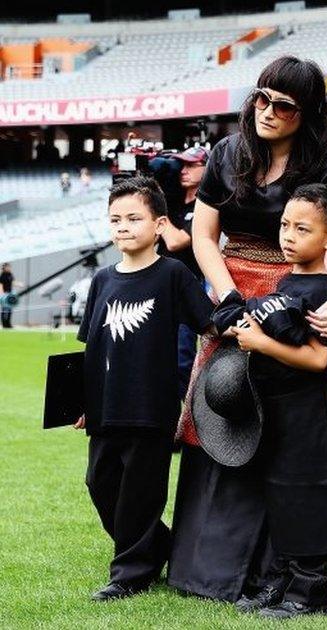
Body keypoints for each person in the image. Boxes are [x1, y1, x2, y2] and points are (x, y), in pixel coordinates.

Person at [168, 56, 327, 603]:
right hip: (233, 290)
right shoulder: (228, 152)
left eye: (284, 105)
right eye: (261, 97)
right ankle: (211, 569)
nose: (268, 111)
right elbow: (203, 236)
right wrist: (228, 295)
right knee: (223, 409)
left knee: (292, 432)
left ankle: (291, 571)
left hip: (303, 300)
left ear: (309, 113)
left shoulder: (323, 161)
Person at [215, 184, 327, 619]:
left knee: (311, 498)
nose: (288, 236)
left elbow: (319, 359)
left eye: (302, 229)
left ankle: (314, 590)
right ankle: (282, 580)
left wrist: (261, 343)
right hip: (277, 408)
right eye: (285, 225)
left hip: (309, 410)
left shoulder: (325, 292)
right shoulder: (288, 279)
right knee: (282, 496)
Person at [73, 177, 213, 601]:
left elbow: (208, 322)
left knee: (141, 491)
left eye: (134, 218)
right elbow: (91, 347)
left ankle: (130, 573)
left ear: (159, 224)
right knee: (101, 484)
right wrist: (81, 401)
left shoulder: (172, 274)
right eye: (115, 219)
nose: (123, 227)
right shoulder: (102, 280)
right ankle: (161, 547)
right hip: (104, 407)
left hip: (151, 406)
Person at [158, 146, 209, 398]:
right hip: (159, 285)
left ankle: (185, 423)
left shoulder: (206, 204)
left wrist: (158, 214)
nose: (183, 171)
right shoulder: (173, 199)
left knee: (181, 359)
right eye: (182, 165)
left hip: (186, 289)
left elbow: (176, 241)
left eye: (191, 165)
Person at [0, 262, 21, 328]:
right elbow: (1, 285)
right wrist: (2, 294)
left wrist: (19, 284)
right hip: (4, 294)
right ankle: (4, 324)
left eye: (9, 267)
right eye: (7, 267)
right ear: (4, 268)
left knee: (10, 309)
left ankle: (8, 324)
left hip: (10, 293)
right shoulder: (2, 275)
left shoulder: (10, 274)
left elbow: (13, 282)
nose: (9, 268)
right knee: (4, 309)